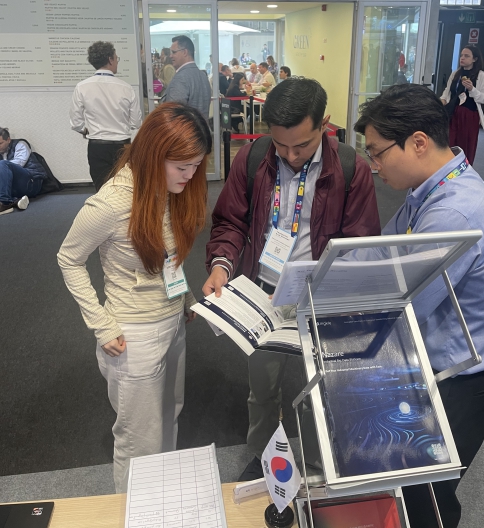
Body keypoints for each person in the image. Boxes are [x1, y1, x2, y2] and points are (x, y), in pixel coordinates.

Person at [202, 77, 381, 481]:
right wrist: (221, 265)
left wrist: (338, 295)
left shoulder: (350, 168)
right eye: (281, 145)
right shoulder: (254, 157)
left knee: (317, 391)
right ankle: (264, 462)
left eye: (301, 145)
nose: (290, 155)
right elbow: (230, 222)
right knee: (262, 391)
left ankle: (319, 468)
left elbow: (360, 242)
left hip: (317, 299)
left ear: (324, 124)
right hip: (262, 294)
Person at [58, 103, 212, 494]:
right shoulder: (112, 202)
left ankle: (161, 497)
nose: (191, 175)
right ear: (154, 154)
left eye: (196, 166)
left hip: (172, 322)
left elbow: (167, 255)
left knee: (169, 414)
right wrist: (101, 324)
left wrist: (184, 298)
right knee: (139, 438)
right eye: (182, 166)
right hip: (134, 334)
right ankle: (136, 511)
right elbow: (69, 259)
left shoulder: (170, 189)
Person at [354, 84, 484, 528]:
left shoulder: (455, 212)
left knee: (426, 493)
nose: (373, 166)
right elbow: (381, 250)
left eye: (377, 152)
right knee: (408, 479)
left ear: (419, 142)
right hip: (428, 361)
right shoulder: (429, 191)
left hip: (459, 377)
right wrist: (318, 278)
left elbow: (405, 303)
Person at [70, 41, 142, 192]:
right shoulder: (126, 88)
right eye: (116, 58)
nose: (117, 61)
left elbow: (76, 123)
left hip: (97, 147)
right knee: (125, 189)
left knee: (102, 190)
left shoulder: (82, 87)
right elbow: (136, 122)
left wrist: (85, 131)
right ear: (110, 59)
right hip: (123, 146)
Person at [440, 45, 484, 165]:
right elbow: (447, 92)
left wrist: (472, 89)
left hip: (469, 115)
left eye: (466, 56)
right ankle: (447, 168)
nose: (462, 58)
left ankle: (463, 169)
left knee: (465, 145)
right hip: (453, 113)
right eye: (461, 55)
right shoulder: (455, 74)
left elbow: (482, 98)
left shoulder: (481, 76)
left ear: (474, 59)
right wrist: (441, 101)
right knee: (449, 143)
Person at [162, 35, 212, 121]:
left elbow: (172, 115)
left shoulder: (181, 78)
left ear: (185, 52)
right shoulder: (203, 76)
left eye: (174, 52)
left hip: (184, 129)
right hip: (202, 128)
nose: (170, 56)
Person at [0, 127, 47, 215]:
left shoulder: (20, 144)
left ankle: (4, 203)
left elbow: (19, 163)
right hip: (13, 187)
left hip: (32, 182)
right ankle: (15, 201)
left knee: (3, 164)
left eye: (0, 143)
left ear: (8, 140)